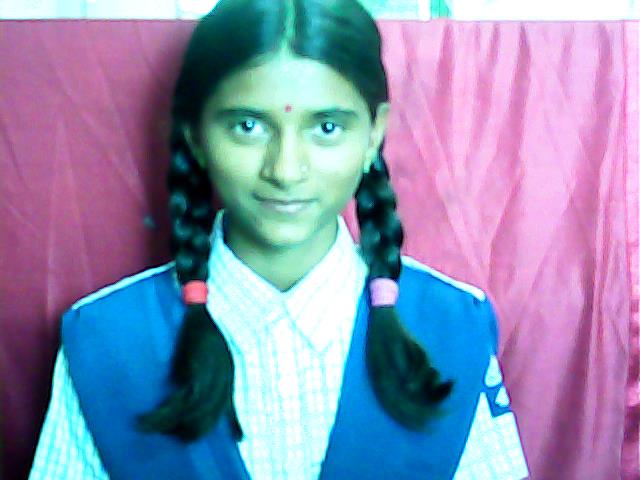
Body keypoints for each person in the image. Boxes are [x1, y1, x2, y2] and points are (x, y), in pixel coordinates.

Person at [29, 0, 529, 478]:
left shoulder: (451, 327)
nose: (286, 170)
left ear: (373, 135)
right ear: (196, 135)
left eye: (326, 127)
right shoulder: (108, 341)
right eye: (248, 126)